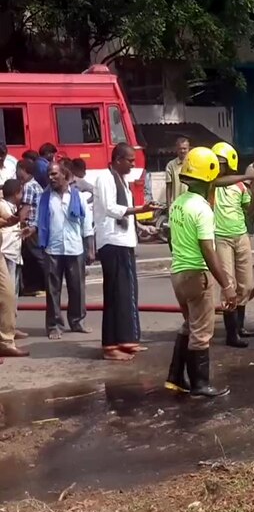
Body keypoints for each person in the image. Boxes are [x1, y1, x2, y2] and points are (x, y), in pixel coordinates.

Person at [165, 147, 237, 397]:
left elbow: (171, 240)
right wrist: (227, 285)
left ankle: (174, 377)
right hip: (197, 274)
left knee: (189, 324)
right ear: (209, 178)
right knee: (202, 332)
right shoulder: (203, 210)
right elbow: (208, 250)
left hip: (178, 274)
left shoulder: (177, 204)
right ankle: (200, 384)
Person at [95, 143, 163, 361]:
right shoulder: (105, 179)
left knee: (127, 294)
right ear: (117, 160)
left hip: (125, 242)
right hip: (112, 243)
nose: (133, 164)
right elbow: (110, 209)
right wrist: (140, 210)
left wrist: (143, 226)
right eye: (130, 160)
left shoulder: (122, 181)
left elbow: (126, 215)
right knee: (115, 294)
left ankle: (127, 339)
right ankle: (110, 345)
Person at [36, 162, 94, 340]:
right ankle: (54, 325)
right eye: (49, 174)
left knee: (77, 287)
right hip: (52, 249)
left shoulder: (78, 197)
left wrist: (90, 249)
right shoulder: (45, 198)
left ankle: (77, 321)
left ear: (64, 175)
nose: (51, 178)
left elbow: (87, 226)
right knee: (53, 290)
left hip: (74, 248)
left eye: (54, 174)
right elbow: (39, 222)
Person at [211, 141, 254, 348]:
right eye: (216, 162)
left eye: (221, 162)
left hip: (241, 236)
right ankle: (231, 334)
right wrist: (248, 176)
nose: (218, 166)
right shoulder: (210, 183)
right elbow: (219, 181)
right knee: (229, 284)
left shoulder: (240, 187)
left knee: (245, 284)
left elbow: (249, 208)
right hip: (221, 237)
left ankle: (240, 326)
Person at [0, 179, 28, 339]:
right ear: (17, 193)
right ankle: (6, 330)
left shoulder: (11, 207)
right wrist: (16, 219)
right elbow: (8, 220)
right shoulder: (4, 206)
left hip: (13, 253)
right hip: (6, 252)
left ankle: (10, 327)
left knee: (13, 294)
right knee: (7, 294)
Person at [17, 160, 46, 296]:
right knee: (31, 256)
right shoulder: (36, 185)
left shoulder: (29, 186)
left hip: (30, 227)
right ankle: (34, 286)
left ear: (23, 170)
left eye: (18, 170)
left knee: (35, 256)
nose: (17, 173)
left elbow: (26, 208)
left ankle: (45, 284)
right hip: (37, 225)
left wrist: (16, 222)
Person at [165, 136, 191, 206]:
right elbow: (168, 187)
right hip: (176, 205)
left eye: (184, 148)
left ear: (188, 149)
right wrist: (168, 206)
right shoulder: (170, 165)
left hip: (190, 204)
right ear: (176, 149)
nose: (182, 151)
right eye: (180, 149)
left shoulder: (193, 163)